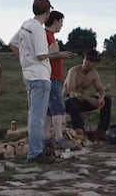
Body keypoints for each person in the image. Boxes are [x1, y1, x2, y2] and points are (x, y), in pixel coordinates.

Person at [9, 0, 57, 163]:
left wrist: (25, 60)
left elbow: (13, 44)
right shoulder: (38, 29)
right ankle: (35, 153)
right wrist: (53, 51)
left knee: (33, 115)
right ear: (47, 11)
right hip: (41, 77)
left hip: (28, 75)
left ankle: (36, 150)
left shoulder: (25, 25)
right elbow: (42, 54)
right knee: (38, 117)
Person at [42, 10, 76, 149]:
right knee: (57, 107)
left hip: (53, 76)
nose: (62, 25)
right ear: (55, 21)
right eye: (61, 22)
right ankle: (59, 138)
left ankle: (45, 137)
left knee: (49, 110)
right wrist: (60, 54)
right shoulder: (45, 35)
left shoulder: (50, 36)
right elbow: (44, 55)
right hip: (51, 76)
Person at [63, 50, 111, 140]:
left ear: (95, 63)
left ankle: (101, 130)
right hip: (67, 102)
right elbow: (71, 91)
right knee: (73, 101)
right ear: (83, 59)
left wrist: (101, 98)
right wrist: (89, 99)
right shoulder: (73, 71)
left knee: (107, 100)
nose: (88, 63)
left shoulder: (94, 74)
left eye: (91, 61)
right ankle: (79, 129)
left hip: (81, 100)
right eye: (87, 59)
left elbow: (100, 89)